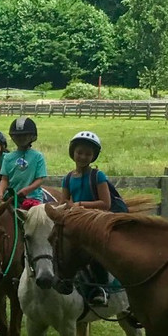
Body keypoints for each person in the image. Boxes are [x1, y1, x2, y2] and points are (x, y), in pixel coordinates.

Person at [62, 130, 112, 305]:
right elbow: (64, 201)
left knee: (95, 252)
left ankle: (102, 288)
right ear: (73, 153)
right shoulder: (68, 178)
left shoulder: (98, 176)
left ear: (94, 156)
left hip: (96, 221)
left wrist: (80, 204)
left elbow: (106, 204)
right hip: (78, 221)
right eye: (79, 152)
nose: (83, 157)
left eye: (88, 154)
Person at [0, 116, 48, 205]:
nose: (21, 138)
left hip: (33, 198)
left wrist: (27, 190)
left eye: (25, 135)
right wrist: (0, 192)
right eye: (18, 136)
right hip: (12, 197)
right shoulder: (8, 157)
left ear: (32, 137)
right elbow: (4, 179)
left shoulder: (38, 156)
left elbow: (40, 179)